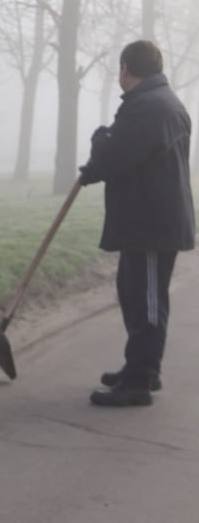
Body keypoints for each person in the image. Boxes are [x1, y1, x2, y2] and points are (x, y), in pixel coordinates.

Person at [79, 39, 194, 407]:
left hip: (150, 225)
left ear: (126, 68)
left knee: (145, 302)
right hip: (148, 220)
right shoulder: (158, 103)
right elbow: (129, 153)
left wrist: (99, 143)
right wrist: (100, 161)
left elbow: (116, 156)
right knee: (134, 292)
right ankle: (139, 367)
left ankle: (141, 380)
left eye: (120, 68)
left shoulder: (148, 108)